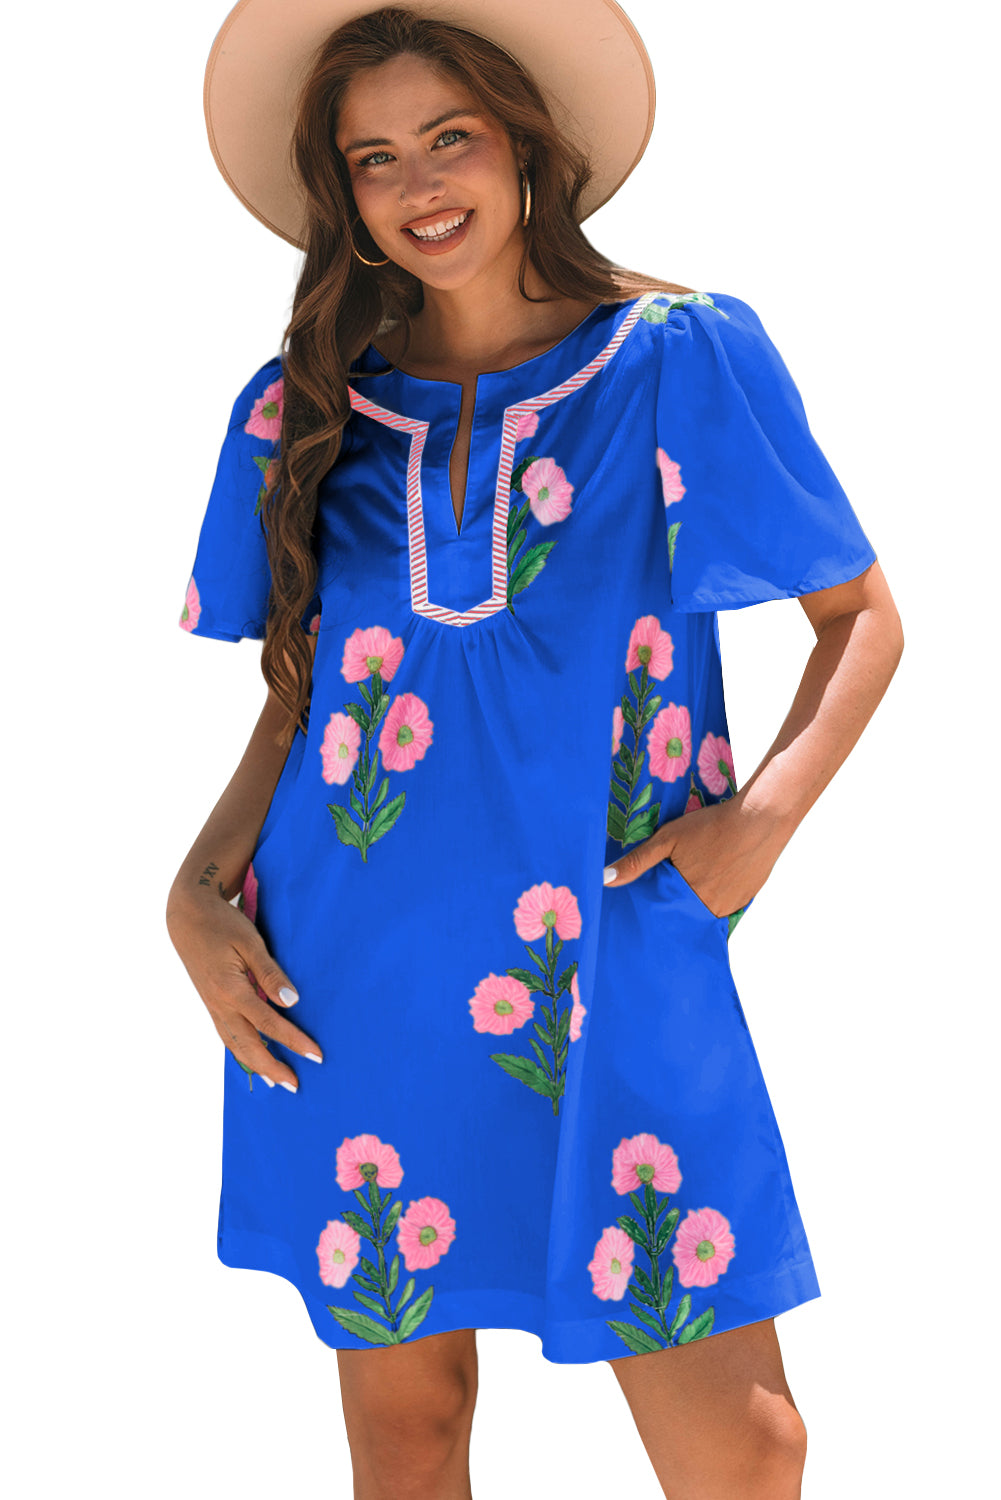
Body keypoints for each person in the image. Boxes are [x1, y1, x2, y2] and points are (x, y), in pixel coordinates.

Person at [166, 3, 903, 1496]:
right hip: (351, 968)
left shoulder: (680, 356)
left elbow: (862, 618)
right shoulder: (305, 410)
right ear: (341, 190)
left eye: (450, 136)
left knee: (747, 1448)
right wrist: (195, 889)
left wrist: (755, 826)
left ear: (526, 141)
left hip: (617, 940)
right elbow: (311, 695)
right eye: (374, 157)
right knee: (410, 1430)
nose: (418, 183)